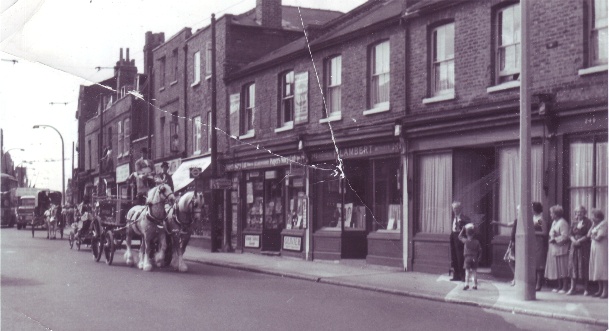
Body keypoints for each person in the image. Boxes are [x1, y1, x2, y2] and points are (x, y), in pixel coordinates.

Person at [566, 206, 593, 295]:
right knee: (573, 265)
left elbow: (588, 234)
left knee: (584, 265)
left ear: (584, 213)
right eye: (577, 212)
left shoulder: (588, 222)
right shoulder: (574, 222)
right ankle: (572, 287)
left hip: (583, 246)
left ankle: (586, 289)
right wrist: (574, 240)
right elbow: (569, 234)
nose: (579, 214)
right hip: (574, 245)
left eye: (581, 212)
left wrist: (579, 240)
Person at [545, 205, 570, 294]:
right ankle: (559, 286)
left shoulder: (563, 223)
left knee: (562, 267)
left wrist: (555, 239)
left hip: (561, 248)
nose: (550, 215)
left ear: (556, 214)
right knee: (557, 268)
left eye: (551, 213)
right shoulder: (554, 222)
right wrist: (552, 237)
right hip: (554, 248)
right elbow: (552, 233)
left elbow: (565, 236)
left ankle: (565, 286)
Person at [587, 209, 607, 298]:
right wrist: (593, 226)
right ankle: (599, 289)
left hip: (602, 249)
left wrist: (593, 236)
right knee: (596, 268)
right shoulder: (596, 225)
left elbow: (599, 237)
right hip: (595, 248)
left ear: (598, 217)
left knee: (602, 268)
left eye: (593, 216)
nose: (592, 218)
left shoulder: (604, 224)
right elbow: (588, 235)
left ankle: (605, 291)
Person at [450, 201, 471, 281]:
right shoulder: (453, 217)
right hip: (453, 237)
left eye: (456, 208)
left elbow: (469, 228)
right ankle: (456, 276)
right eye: (453, 208)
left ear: (460, 209)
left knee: (460, 257)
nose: (454, 210)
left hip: (460, 238)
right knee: (454, 257)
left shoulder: (464, 218)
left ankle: (463, 276)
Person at [459, 223, 482, 290]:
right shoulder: (477, 242)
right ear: (473, 234)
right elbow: (480, 250)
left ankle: (466, 284)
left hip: (467, 258)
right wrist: (479, 257)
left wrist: (463, 230)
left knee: (467, 272)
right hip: (474, 258)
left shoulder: (466, 241)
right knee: (474, 272)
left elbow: (459, 236)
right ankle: (475, 285)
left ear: (466, 234)